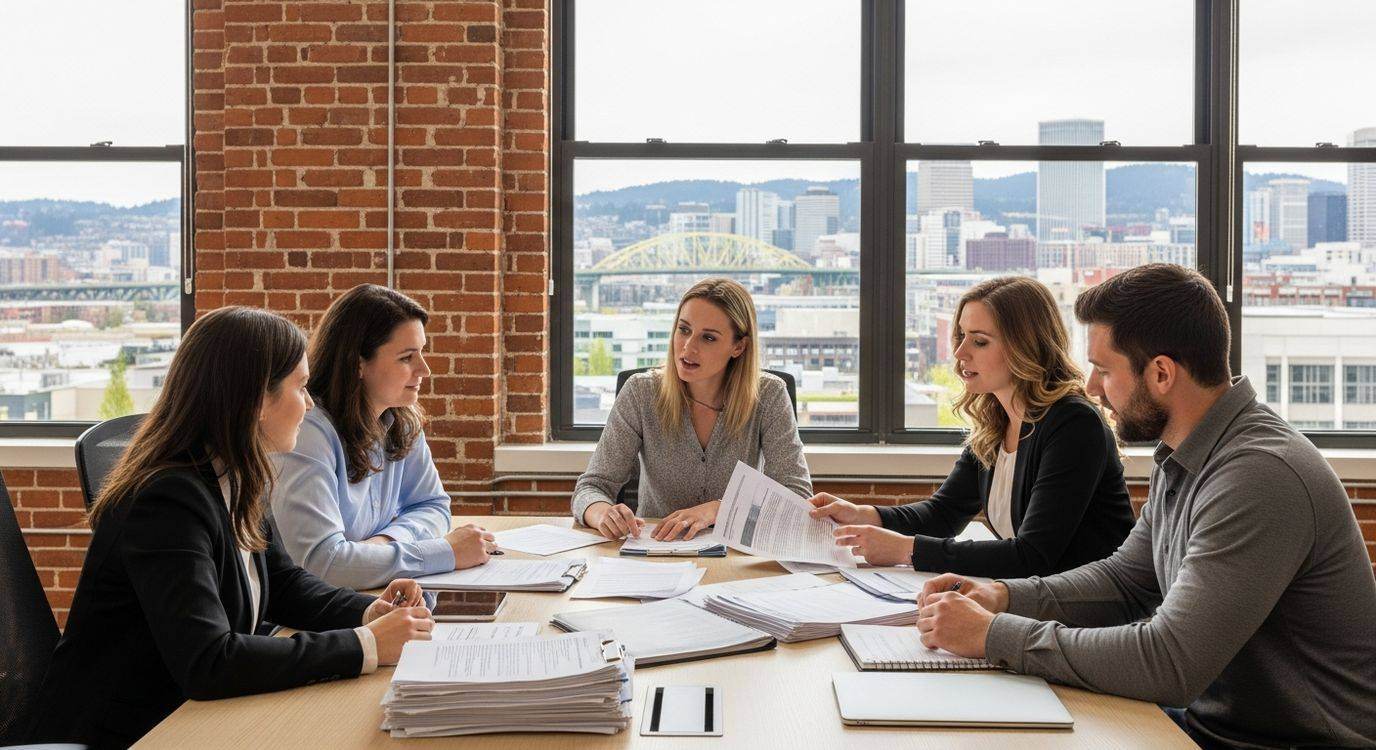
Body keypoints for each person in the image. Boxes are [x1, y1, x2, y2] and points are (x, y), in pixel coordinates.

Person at [915, 264, 1376, 749]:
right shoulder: (1186, 452)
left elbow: (1169, 662)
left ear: (1160, 373)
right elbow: (1125, 580)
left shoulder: (1259, 475)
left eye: (1105, 370)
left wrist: (995, 635)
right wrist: (1002, 598)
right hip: (1210, 725)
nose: (1091, 387)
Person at [31, 307, 434, 749]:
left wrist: (365, 613)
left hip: (196, 718)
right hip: (130, 733)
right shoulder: (166, 501)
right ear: (258, 401)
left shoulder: (235, 475)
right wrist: (364, 645)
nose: (311, 403)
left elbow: (282, 584)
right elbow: (210, 661)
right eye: (300, 387)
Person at [809, 276, 1135, 577]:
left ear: (1025, 346)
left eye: (979, 342)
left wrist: (905, 550)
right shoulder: (996, 421)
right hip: (1038, 602)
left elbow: (1032, 556)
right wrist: (863, 515)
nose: (960, 352)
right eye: (961, 336)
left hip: (1092, 617)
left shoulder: (1074, 424)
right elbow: (943, 514)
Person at [269, 284, 495, 590]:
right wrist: (446, 552)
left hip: (372, 596)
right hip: (305, 617)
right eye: (406, 358)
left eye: (422, 353)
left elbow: (433, 506)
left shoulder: (401, 417)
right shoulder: (307, 431)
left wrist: (384, 543)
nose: (424, 370)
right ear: (358, 364)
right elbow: (323, 564)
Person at [572, 278, 811, 541]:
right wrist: (602, 513)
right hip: (655, 553)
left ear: (738, 347)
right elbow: (591, 487)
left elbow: (796, 498)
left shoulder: (769, 395)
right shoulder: (641, 393)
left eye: (708, 338)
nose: (688, 348)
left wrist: (718, 509)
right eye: (684, 330)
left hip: (736, 555)